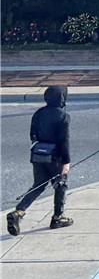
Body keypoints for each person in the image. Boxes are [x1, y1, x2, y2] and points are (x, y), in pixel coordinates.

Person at [7, 86, 73, 235]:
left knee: (38, 185)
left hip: (38, 155)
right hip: (55, 157)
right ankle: (58, 217)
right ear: (62, 98)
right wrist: (66, 163)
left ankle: (19, 211)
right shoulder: (63, 116)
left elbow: (33, 135)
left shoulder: (38, 113)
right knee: (60, 184)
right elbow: (64, 141)